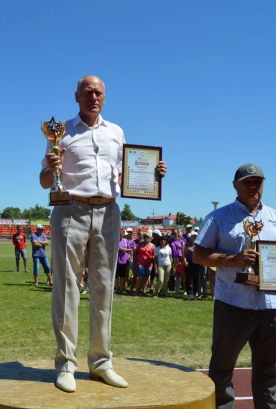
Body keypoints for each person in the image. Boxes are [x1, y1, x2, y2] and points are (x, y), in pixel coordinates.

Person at [40, 75, 167, 392]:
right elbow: (44, 180)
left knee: (104, 290)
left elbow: (127, 176)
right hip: (71, 209)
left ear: (105, 98)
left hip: (109, 211)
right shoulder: (61, 131)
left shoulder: (117, 133)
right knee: (68, 289)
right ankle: (66, 365)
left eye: (98, 93)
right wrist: (50, 167)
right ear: (76, 96)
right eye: (87, 92)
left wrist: (153, 174)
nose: (93, 97)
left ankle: (100, 363)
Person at [193, 163, 276, 409]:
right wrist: (234, 260)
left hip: (271, 306)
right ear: (235, 186)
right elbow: (198, 254)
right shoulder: (219, 217)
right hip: (233, 303)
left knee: (268, 371)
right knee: (222, 369)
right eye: (247, 182)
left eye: (257, 182)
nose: (253, 187)